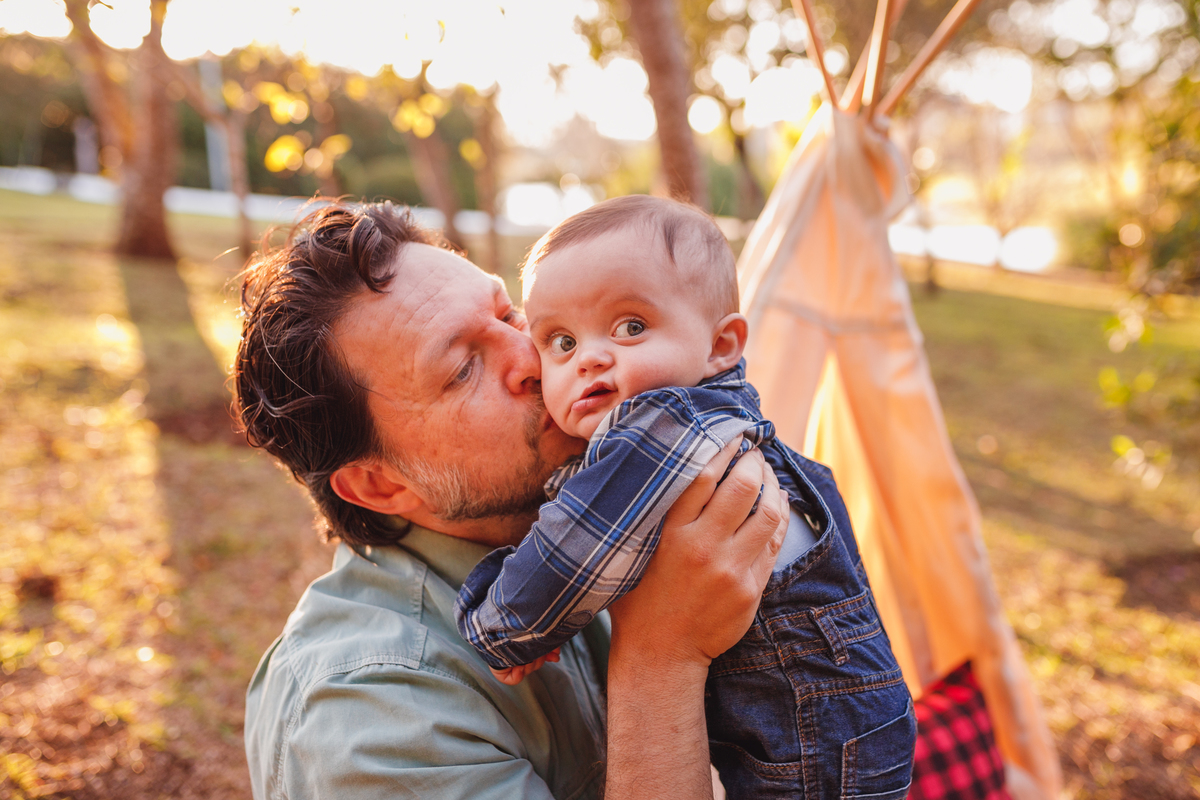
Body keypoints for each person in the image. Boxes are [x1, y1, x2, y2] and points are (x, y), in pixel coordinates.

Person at [234, 199, 791, 800]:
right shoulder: (371, 718)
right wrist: (663, 659)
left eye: (509, 313)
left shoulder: (604, 518)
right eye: (463, 369)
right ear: (381, 485)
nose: (536, 357)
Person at [455, 196, 917, 799]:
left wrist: (500, 624)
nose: (592, 356)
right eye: (561, 342)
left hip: (810, 735)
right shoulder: (734, 423)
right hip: (849, 723)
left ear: (721, 346)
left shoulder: (660, 423)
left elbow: (566, 561)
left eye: (631, 327)